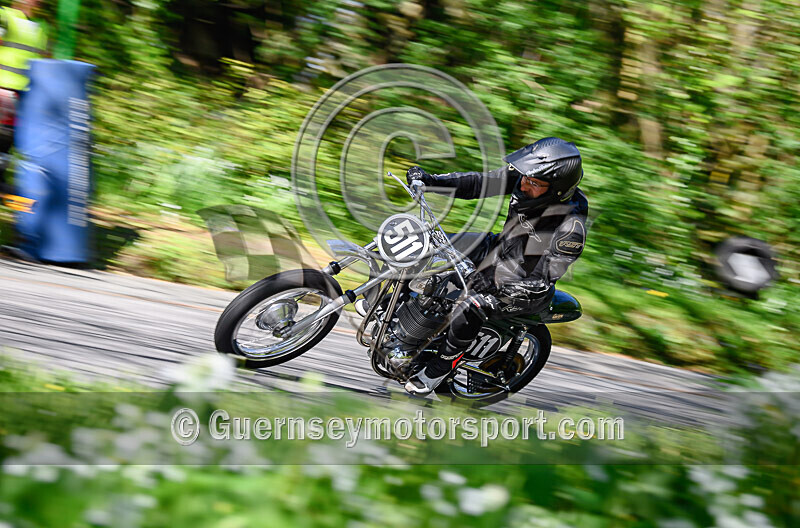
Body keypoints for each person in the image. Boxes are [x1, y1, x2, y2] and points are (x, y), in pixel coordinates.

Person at [403, 136, 589, 395]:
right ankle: (394, 312)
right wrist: (433, 181)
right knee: (424, 243)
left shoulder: (570, 228)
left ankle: (439, 368)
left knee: (474, 304)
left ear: (557, 189)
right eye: (525, 176)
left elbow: (545, 275)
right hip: (499, 248)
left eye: (534, 183)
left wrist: (494, 284)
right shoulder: (530, 178)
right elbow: (481, 182)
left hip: (525, 283)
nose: (524, 183)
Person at [0, 0, 47, 197]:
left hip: (24, 93)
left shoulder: (41, 28)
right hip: (2, 87)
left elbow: (44, 60)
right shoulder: (5, 16)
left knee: (7, 139)